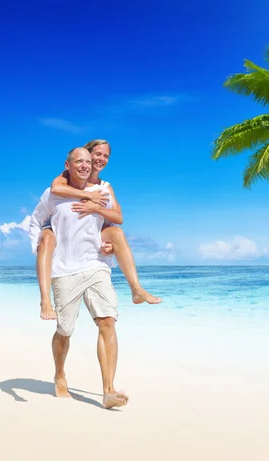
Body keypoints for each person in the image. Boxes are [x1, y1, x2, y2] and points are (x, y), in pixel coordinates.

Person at [28, 147, 128, 409]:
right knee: (65, 330)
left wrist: (108, 247)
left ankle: (108, 391)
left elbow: (111, 223)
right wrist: (39, 245)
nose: (85, 165)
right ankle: (60, 374)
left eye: (88, 161)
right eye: (79, 162)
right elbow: (35, 222)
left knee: (107, 321)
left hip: (95, 266)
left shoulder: (102, 192)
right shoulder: (54, 193)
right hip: (64, 269)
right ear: (68, 165)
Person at [36, 139, 161, 321]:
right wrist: (88, 195)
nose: (101, 159)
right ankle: (45, 300)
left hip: (92, 243)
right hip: (62, 237)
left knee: (116, 232)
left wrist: (96, 208)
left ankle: (136, 289)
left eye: (106, 156)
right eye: (97, 154)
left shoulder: (105, 187)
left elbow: (118, 218)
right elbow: (56, 188)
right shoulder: (65, 178)